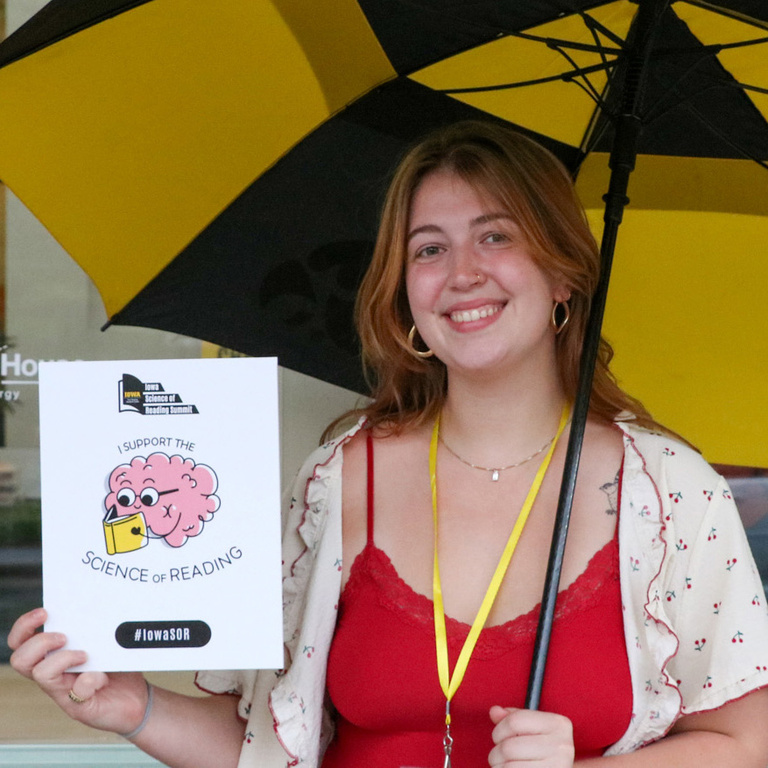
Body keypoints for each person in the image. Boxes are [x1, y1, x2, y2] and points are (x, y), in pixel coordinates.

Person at [9, 121, 768, 768]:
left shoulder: (670, 492)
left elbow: (746, 741)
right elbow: (263, 741)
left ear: (564, 274)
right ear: (403, 289)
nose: (462, 274)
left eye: (496, 236)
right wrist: (129, 706)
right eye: (428, 249)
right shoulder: (339, 479)